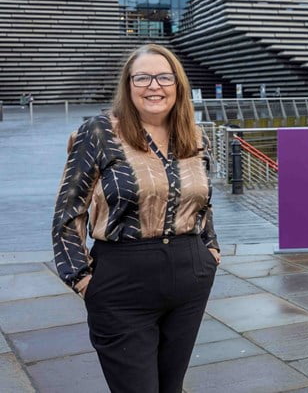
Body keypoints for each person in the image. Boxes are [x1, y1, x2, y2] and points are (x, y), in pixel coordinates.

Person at [52, 43, 220, 393]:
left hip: (189, 277)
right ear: (128, 86)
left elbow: (203, 204)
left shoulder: (194, 136)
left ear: (178, 85)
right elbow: (69, 212)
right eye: (142, 77)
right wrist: (81, 278)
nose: (154, 86)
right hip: (122, 281)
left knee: (170, 387)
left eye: (163, 77)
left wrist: (210, 251)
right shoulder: (98, 132)